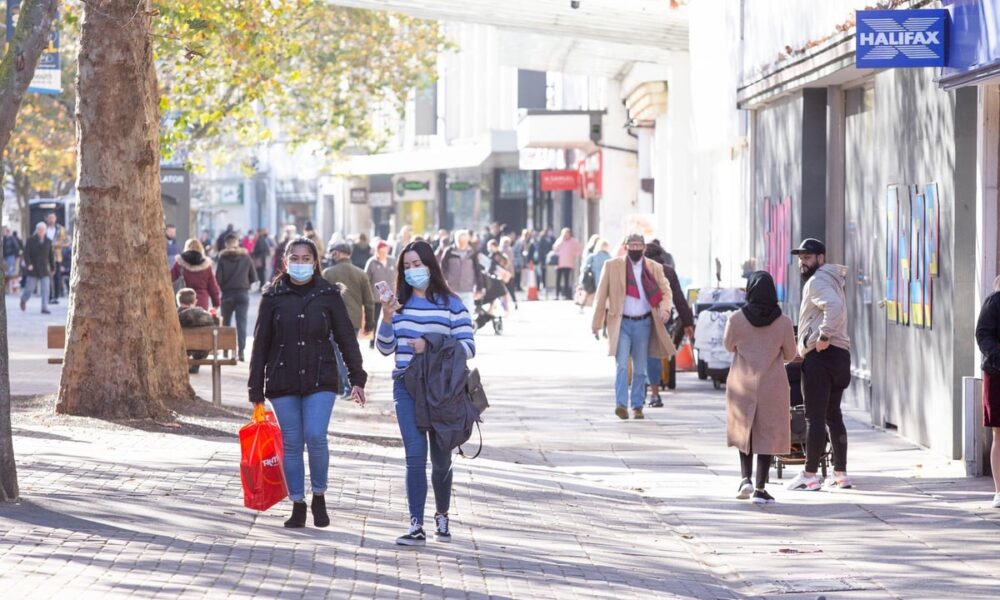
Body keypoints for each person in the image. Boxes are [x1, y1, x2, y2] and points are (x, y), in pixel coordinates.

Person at [248, 236, 368, 529]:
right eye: (295, 258)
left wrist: (357, 377)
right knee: (291, 443)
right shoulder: (273, 296)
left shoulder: (328, 294)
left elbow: (345, 338)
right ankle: (298, 503)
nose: (300, 264)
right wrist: (255, 390)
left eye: (306, 259)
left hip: (320, 377)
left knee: (315, 436)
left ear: (316, 262)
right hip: (282, 377)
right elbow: (261, 343)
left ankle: (319, 495)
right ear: (286, 261)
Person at [376, 240, 475, 546]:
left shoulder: (452, 305)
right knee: (415, 456)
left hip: (443, 390)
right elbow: (384, 348)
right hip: (407, 386)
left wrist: (429, 343)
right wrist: (387, 316)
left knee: (441, 458)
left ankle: (441, 516)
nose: (412, 271)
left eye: (418, 264)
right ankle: (415, 524)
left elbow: (468, 347)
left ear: (431, 266)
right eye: (406, 266)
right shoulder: (397, 306)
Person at [723, 271, 797, 504]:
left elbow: (728, 346)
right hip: (772, 384)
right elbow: (791, 354)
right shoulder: (783, 321)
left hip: (741, 382)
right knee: (767, 434)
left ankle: (746, 478)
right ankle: (761, 489)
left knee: (745, 430)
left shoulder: (736, 319)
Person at [786, 238, 853, 492]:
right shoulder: (833, 280)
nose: (803, 262)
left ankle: (810, 474)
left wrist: (822, 336)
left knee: (814, 417)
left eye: (808, 257)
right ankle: (840, 473)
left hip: (822, 356)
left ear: (821, 258)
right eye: (801, 258)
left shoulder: (817, 281)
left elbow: (833, 308)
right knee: (833, 415)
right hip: (840, 356)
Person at [591, 234, 674, 420]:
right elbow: (600, 295)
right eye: (632, 245)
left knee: (640, 368)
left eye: (639, 245)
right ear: (626, 247)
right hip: (621, 323)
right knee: (621, 365)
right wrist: (596, 323)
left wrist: (665, 309)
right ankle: (621, 404)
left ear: (644, 248)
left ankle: (637, 405)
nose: (635, 248)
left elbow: (665, 290)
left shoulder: (654, 267)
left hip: (644, 323)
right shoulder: (612, 266)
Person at [643, 239, 695, 407]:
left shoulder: (640, 270)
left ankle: (641, 388)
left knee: (639, 354)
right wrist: (688, 322)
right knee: (654, 355)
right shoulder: (669, 271)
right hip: (662, 318)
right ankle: (655, 394)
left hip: (640, 317)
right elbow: (679, 299)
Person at [322, 241, 375, 395]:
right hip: (354, 320)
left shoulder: (328, 273)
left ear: (337, 253)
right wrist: (370, 323)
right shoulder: (360, 273)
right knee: (349, 353)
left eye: (333, 252)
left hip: (333, 320)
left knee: (337, 354)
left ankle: (346, 387)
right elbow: (369, 301)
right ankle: (345, 386)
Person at [974, 275, 1000, 509]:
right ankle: (999, 491)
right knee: (999, 434)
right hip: (998, 374)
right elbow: (983, 335)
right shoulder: (995, 302)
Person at [215, 233, 258, 361]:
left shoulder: (222, 259)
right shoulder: (246, 257)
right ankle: (241, 352)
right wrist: (245, 285)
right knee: (241, 323)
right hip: (242, 294)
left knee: (226, 324)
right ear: (237, 242)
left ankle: (226, 351)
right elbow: (254, 277)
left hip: (227, 295)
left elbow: (218, 279)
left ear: (226, 244)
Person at [439, 230, 484, 314]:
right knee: (452, 314)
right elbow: (442, 269)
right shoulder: (449, 252)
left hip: (468, 289)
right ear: (456, 240)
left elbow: (478, 270)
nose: (462, 243)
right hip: (452, 289)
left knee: (468, 314)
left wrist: (479, 288)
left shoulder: (472, 253)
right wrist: (444, 283)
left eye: (464, 241)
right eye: (460, 241)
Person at [177, 287, 220, 374]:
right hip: (199, 349)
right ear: (195, 301)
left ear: (178, 302)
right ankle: (195, 365)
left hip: (180, 347)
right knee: (201, 342)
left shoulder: (175, 315)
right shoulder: (202, 315)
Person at [171, 239, 221, 311]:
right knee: (200, 320)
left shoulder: (179, 263)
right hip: (201, 302)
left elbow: (170, 280)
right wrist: (216, 304)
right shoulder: (206, 266)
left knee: (183, 320)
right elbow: (213, 287)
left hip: (183, 301)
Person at [365, 239, 396, 350]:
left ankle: (392, 338)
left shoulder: (393, 261)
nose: (383, 253)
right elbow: (366, 279)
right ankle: (372, 340)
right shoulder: (372, 262)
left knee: (392, 318)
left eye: (385, 251)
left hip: (391, 296)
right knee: (375, 318)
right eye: (381, 251)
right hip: (376, 297)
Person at [19, 222, 54, 314]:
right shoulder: (30, 240)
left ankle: (44, 307)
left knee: (46, 289)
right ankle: (23, 299)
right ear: (37, 230)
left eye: (43, 230)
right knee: (30, 288)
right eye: (40, 229)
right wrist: (29, 264)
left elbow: (51, 256)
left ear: (45, 231)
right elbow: (26, 253)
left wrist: (53, 267)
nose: (42, 231)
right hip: (33, 268)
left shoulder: (48, 241)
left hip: (44, 269)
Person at [552, 228, 582, 300]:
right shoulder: (559, 240)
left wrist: (574, 254)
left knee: (567, 280)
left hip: (568, 263)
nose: (566, 235)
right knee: (558, 279)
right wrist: (561, 240)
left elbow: (579, 249)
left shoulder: (573, 241)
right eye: (565, 233)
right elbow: (555, 248)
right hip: (559, 263)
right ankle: (557, 295)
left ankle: (567, 295)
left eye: (568, 233)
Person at [44, 212, 67, 303]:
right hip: (46, 256)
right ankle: (49, 296)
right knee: (47, 276)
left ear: (55, 218)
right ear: (47, 219)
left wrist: (57, 244)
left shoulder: (60, 229)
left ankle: (56, 296)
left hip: (57, 256)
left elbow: (65, 241)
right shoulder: (43, 228)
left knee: (57, 276)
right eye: (50, 218)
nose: (51, 220)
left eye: (53, 218)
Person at [3, 226, 22, 294]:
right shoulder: (4, 239)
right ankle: (7, 288)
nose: (7, 232)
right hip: (5, 257)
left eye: (8, 231)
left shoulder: (12, 238)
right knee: (6, 273)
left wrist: (16, 256)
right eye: (6, 231)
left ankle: (11, 289)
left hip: (11, 256)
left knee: (10, 273)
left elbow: (16, 247)